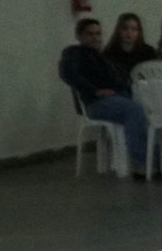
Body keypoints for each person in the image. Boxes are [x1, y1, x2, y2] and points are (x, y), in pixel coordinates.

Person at [59, 16, 147, 170]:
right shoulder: (74, 54)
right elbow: (68, 73)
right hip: (96, 103)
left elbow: (117, 77)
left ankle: (156, 161)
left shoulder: (103, 57)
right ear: (79, 36)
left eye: (98, 34)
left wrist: (129, 80)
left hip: (117, 97)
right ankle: (141, 163)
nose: (95, 38)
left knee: (149, 106)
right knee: (133, 110)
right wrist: (94, 90)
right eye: (90, 34)